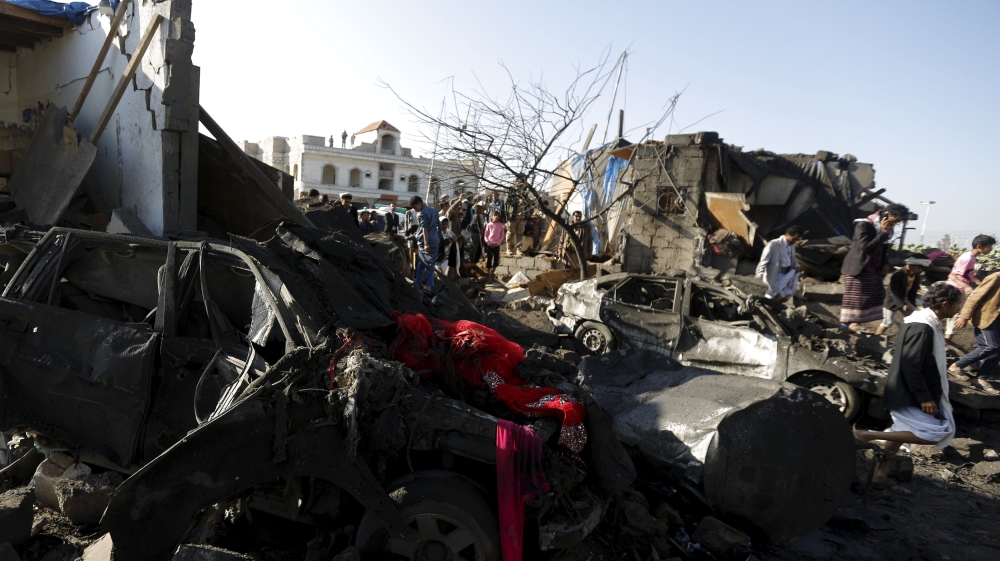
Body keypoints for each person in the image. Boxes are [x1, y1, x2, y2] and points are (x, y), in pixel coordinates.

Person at [854, 282, 963, 487]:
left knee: (900, 432)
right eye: (957, 305)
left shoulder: (925, 322)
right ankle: (865, 435)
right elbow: (911, 364)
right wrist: (924, 397)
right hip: (908, 391)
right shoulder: (922, 326)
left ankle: (879, 474)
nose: (958, 310)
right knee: (935, 434)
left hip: (906, 388)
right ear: (945, 304)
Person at [840, 204, 909, 331]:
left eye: (897, 223)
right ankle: (848, 326)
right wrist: (882, 233)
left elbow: (883, 248)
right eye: (894, 221)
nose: (894, 225)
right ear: (886, 214)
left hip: (873, 269)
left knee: (873, 296)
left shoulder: (888, 229)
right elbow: (865, 248)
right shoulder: (864, 225)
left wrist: (885, 263)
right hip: (858, 268)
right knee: (857, 299)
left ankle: (853, 325)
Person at [949, 272, 1000, 394]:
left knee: (997, 350)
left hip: (998, 321)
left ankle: (981, 378)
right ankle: (956, 366)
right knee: (991, 346)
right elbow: (975, 296)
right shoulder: (996, 277)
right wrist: (964, 316)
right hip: (986, 317)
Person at [945, 235, 996, 344]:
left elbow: (968, 274)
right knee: (956, 317)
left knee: (956, 317)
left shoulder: (971, 257)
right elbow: (953, 275)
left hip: (959, 288)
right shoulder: (968, 258)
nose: (991, 249)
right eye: (989, 247)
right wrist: (966, 286)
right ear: (979, 246)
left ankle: (945, 343)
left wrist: (979, 283)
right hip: (956, 289)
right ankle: (945, 344)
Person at [875, 256, 931, 336]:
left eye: (921, 269)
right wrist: (902, 305)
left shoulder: (916, 275)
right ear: (911, 265)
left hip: (905, 299)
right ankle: (876, 338)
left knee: (914, 317)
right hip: (892, 301)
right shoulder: (898, 275)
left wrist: (912, 302)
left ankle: (906, 337)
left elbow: (913, 289)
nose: (920, 270)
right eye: (919, 268)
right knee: (887, 322)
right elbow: (893, 292)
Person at [755, 225, 805, 303]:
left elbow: (792, 259)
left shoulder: (792, 246)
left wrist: (797, 266)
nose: (795, 241)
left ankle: (772, 307)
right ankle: (768, 308)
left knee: (787, 297)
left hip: (787, 274)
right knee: (775, 296)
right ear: (788, 234)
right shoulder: (773, 244)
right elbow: (763, 262)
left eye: (797, 240)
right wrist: (759, 278)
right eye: (794, 239)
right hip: (775, 275)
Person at [411, 195, 441, 291]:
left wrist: (426, 243)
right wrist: (439, 237)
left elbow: (424, 228)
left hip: (425, 240)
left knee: (425, 263)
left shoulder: (421, 213)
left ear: (420, 203)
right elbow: (439, 224)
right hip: (435, 239)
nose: (415, 210)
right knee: (428, 262)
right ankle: (423, 284)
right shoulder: (434, 210)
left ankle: (424, 285)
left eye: (415, 207)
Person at [483, 211, 505, 283]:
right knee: (489, 260)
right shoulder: (489, 225)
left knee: (496, 260)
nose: (496, 217)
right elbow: (486, 236)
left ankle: (492, 274)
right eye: (495, 215)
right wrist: (489, 243)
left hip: (497, 245)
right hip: (490, 245)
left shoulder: (501, 225)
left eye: (497, 215)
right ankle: (489, 276)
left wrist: (497, 243)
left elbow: (502, 236)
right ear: (492, 216)